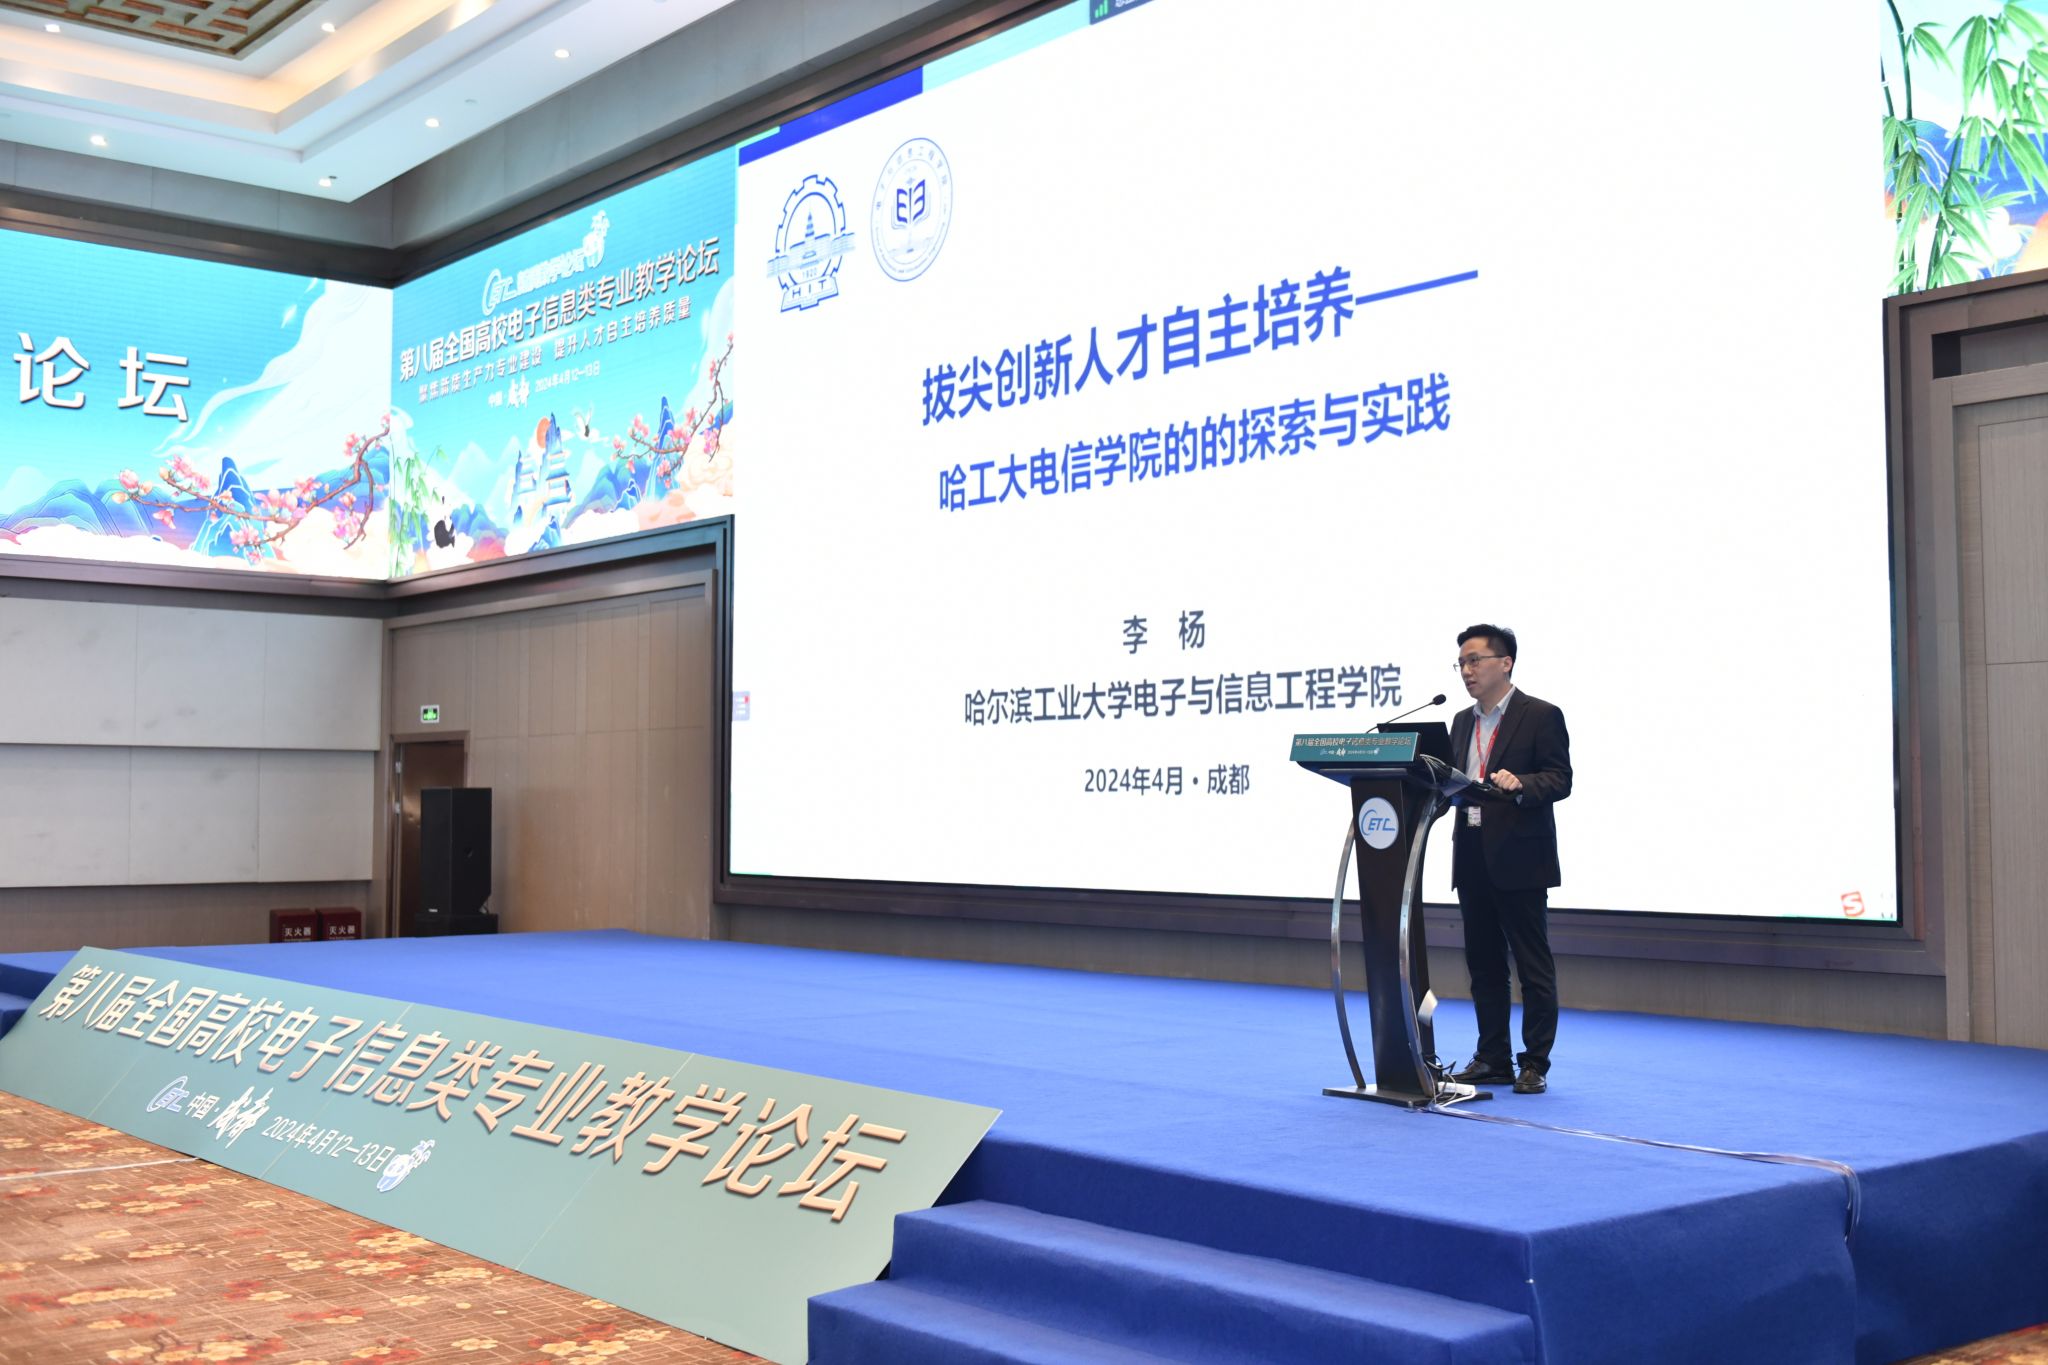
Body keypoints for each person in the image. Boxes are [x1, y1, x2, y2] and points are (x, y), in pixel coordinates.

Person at [1445, 624, 1572, 1094]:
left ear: (1506, 663)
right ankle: (1492, 1057)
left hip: (1520, 857)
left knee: (1532, 966)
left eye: (1474, 660)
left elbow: (1560, 778)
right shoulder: (1461, 721)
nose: (1466, 670)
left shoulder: (1540, 715)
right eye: (1461, 662)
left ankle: (1534, 1062)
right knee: (1484, 966)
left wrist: (1523, 784)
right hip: (1471, 855)